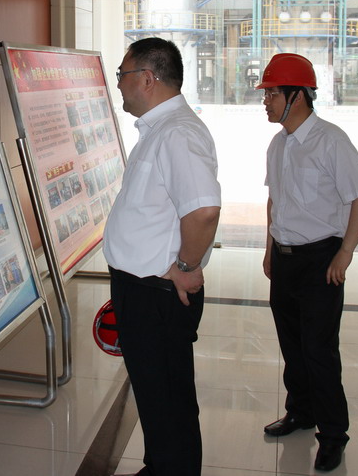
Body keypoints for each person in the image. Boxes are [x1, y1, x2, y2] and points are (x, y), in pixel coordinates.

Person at [103, 37, 221, 476]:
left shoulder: (178, 134)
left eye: (123, 74)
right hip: (143, 291)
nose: (119, 83)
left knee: (168, 400)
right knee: (156, 397)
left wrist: (187, 267)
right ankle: (160, 467)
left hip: (158, 294)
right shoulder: (160, 130)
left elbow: (203, 211)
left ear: (147, 79)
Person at [259, 53, 358, 472]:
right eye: (266, 94)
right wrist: (269, 249)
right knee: (292, 345)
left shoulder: (331, 141)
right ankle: (301, 412)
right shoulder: (278, 144)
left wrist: (345, 252)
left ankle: (333, 435)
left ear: (298, 96)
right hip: (285, 258)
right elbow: (274, 200)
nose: (266, 101)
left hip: (320, 260)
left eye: (273, 93)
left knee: (319, 350)